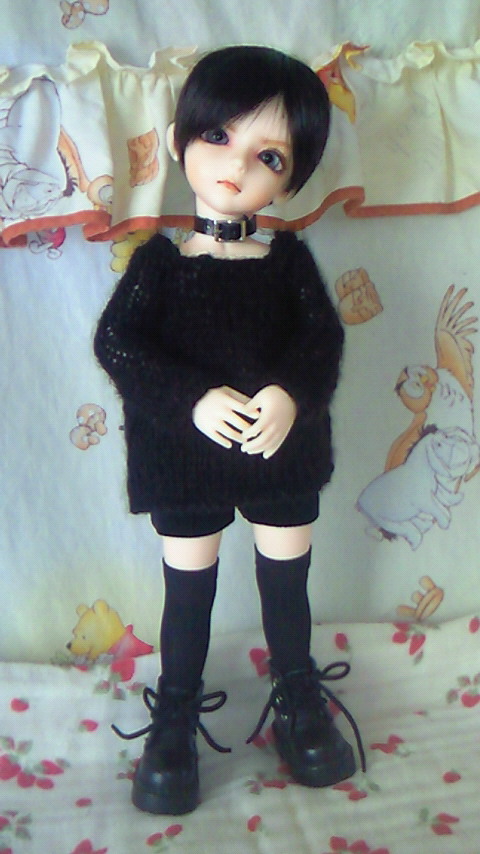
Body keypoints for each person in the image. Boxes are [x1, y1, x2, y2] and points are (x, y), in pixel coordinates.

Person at [94, 45, 364, 817]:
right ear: (179, 140)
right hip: (183, 457)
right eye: (218, 136)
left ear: (292, 178)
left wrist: (289, 396)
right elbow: (118, 344)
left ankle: (297, 694)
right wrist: (191, 398)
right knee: (188, 590)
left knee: (286, 580)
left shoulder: (288, 262)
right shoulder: (158, 263)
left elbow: (322, 342)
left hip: (282, 453)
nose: (237, 167)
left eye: (268, 155)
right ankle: (174, 714)